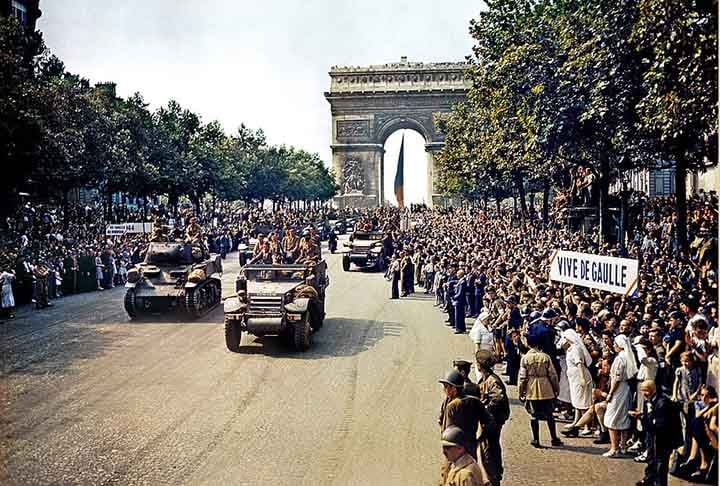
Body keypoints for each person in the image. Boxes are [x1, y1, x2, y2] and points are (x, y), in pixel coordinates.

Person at [518, 326, 563, 448]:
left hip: (531, 388)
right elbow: (553, 375)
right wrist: (556, 388)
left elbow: (522, 378)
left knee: (534, 415)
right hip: (546, 387)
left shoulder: (525, 358)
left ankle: (536, 439)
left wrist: (520, 391)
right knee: (549, 414)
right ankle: (554, 438)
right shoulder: (545, 357)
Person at [635, 380, 683, 486]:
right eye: (642, 390)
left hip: (663, 438)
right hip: (653, 435)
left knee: (661, 463)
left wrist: (642, 418)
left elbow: (659, 425)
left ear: (652, 390)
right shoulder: (650, 400)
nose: (643, 393)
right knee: (651, 458)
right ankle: (649, 479)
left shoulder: (662, 403)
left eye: (646, 391)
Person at [475, 350, 510, 486]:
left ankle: (493, 477)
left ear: (480, 364)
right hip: (492, 420)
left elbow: (498, 397)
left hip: (493, 421)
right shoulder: (486, 378)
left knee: (489, 449)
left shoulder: (492, 380)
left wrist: (485, 409)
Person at [603, 334, 638, 457]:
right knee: (623, 418)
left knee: (611, 419)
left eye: (615, 344)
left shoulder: (620, 359)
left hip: (618, 390)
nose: (614, 346)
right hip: (626, 389)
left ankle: (614, 448)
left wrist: (610, 394)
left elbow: (616, 379)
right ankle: (623, 446)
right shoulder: (628, 357)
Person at [559, 329, 594, 437]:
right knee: (576, 401)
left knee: (583, 402)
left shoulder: (576, 349)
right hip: (573, 378)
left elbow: (579, 363)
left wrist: (582, 378)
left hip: (579, 376)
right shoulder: (570, 349)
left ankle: (586, 426)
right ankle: (576, 421)